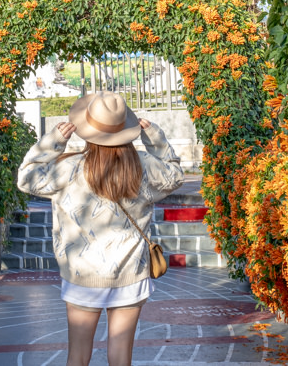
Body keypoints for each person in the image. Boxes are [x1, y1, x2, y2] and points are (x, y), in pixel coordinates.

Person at [18, 90, 184, 366]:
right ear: (126, 129)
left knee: (78, 357)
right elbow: (175, 175)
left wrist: (54, 141)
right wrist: (155, 138)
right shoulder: (143, 167)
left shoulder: (69, 168)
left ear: (87, 130)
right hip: (131, 273)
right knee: (121, 359)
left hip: (83, 274)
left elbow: (26, 178)